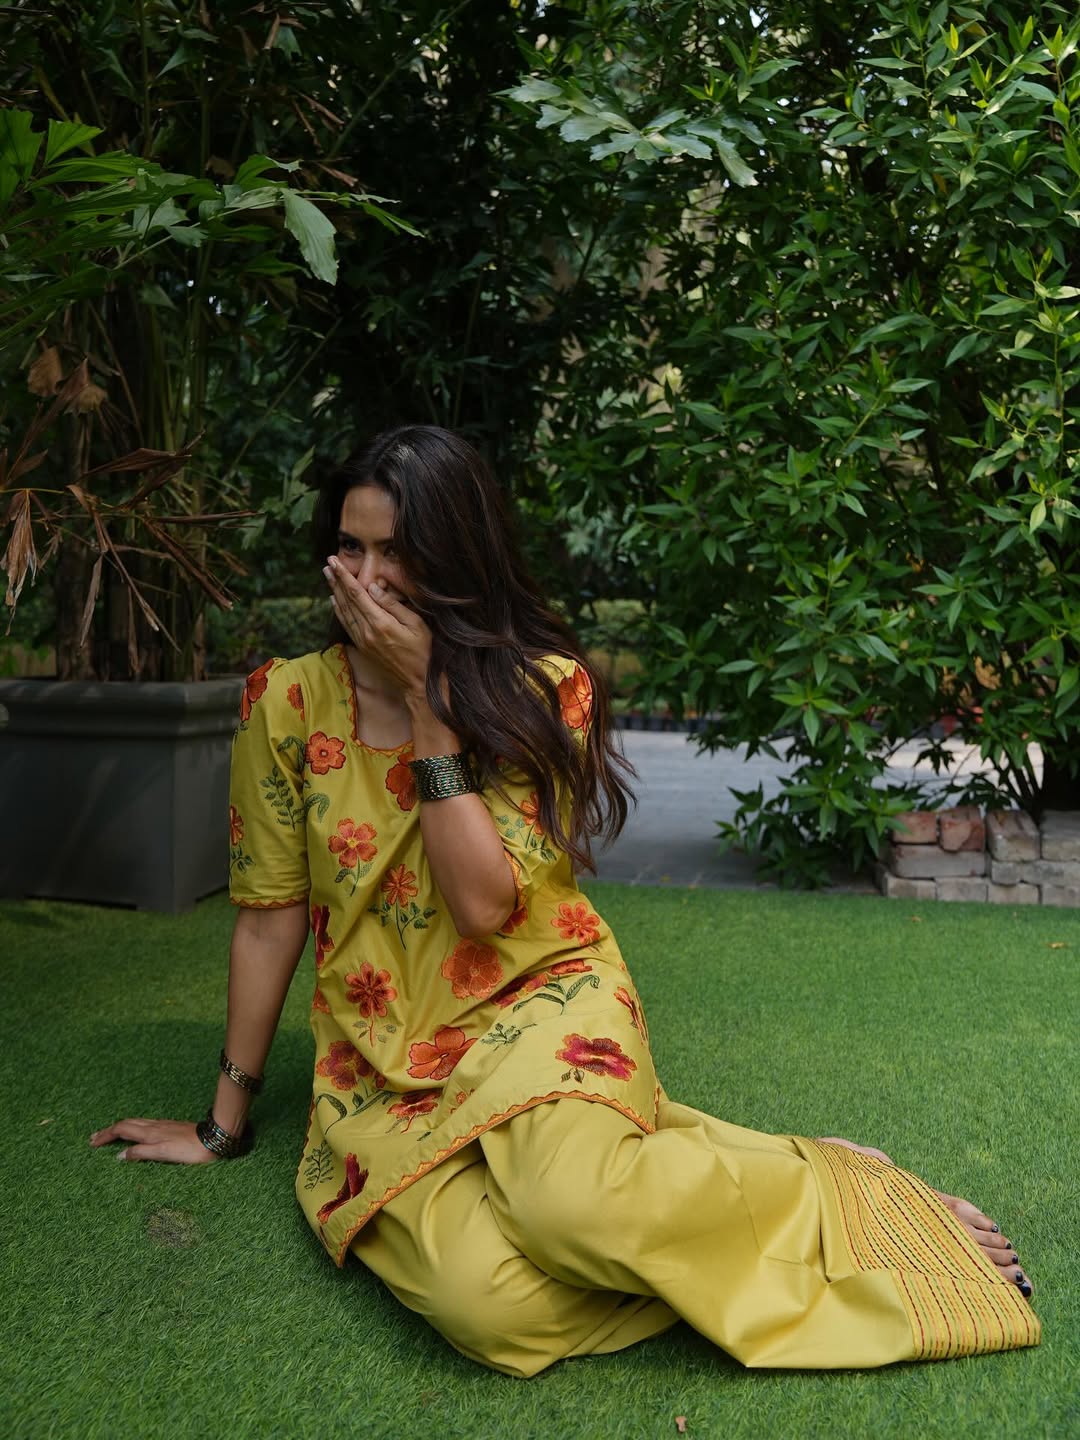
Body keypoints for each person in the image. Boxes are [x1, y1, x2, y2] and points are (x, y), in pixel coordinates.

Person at [91, 425, 1039, 1377]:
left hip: (540, 1003)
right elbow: (269, 923)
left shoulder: (542, 692)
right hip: (381, 1062)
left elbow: (483, 908)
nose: (366, 580)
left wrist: (427, 706)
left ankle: (842, 1204)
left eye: (395, 552)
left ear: (454, 559)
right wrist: (222, 1125)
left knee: (572, 1210)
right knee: (490, 1309)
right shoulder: (285, 703)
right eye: (350, 546)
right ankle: (763, 1180)